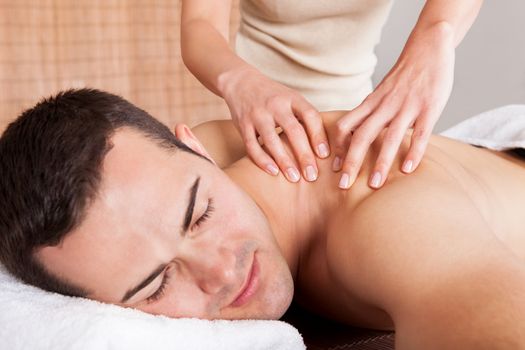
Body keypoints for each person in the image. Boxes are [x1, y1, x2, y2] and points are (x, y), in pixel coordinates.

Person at [2, 89, 525, 349]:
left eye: (200, 214)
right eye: (156, 283)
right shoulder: (190, 165)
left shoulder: (388, 226)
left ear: (196, 148)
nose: (223, 272)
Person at [181, 0, 483, 190]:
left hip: (358, 124)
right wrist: (239, 81)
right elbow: (200, 24)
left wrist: (437, 34)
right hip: (260, 127)